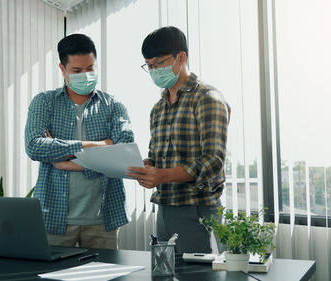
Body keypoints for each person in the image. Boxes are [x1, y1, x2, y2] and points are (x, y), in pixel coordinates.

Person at [126, 26, 231, 253]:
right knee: (165, 274)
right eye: (149, 66)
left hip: (197, 210)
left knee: (200, 276)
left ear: (181, 57)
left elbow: (213, 161)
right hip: (165, 208)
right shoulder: (158, 108)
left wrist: (162, 175)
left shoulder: (207, 98)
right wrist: (145, 168)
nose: (154, 70)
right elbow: (156, 157)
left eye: (159, 63)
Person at [25, 33, 133, 249]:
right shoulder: (44, 102)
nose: (85, 75)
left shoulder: (113, 105)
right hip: (54, 216)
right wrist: (100, 146)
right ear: (62, 69)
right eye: (77, 70)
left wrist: (64, 162)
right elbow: (34, 146)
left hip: (103, 218)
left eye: (90, 68)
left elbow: (125, 155)